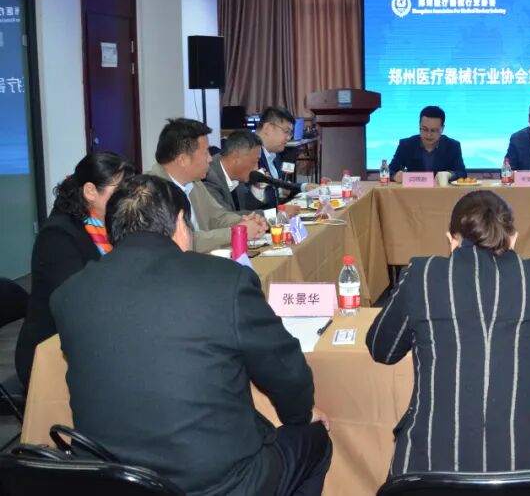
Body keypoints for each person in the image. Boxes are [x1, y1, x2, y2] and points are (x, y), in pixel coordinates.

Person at [52, 174, 332, 496]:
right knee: (315, 439)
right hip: (219, 484)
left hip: (111, 481)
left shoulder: (68, 295)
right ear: (181, 223)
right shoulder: (225, 280)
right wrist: (299, 413)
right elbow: (284, 370)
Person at [366, 190, 530, 476]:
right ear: (513, 238)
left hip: (431, 468)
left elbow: (382, 349)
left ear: (451, 239)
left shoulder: (421, 273)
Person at [14, 151, 134, 388]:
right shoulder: (58, 236)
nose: (127, 198)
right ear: (90, 191)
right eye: (120, 190)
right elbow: (79, 302)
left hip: (93, 336)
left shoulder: (106, 225)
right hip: (51, 352)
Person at [147, 118, 266, 252]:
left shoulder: (194, 183)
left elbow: (217, 217)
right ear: (183, 160)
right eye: (205, 153)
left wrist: (246, 221)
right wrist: (238, 231)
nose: (210, 158)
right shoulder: (151, 193)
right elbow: (185, 241)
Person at [388, 105, 467, 182]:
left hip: (441, 190)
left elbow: (462, 173)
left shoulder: (452, 146)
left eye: (434, 130)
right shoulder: (406, 145)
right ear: (419, 126)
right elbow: (388, 171)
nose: (429, 135)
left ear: (442, 129)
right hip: (414, 190)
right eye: (425, 129)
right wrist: (395, 176)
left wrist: (450, 175)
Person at [250, 106, 301, 210]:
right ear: (267, 128)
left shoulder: (275, 154)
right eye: (286, 131)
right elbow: (249, 199)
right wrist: (279, 191)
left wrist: (303, 187)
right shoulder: (249, 153)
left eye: (290, 133)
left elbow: (282, 186)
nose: (289, 138)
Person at [203, 130, 264, 213]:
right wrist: (273, 215)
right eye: (254, 162)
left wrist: (258, 187)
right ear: (236, 156)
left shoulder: (238, 177)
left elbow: (248, 209)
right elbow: (225, 217)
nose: (256, 168)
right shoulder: (209, 178)